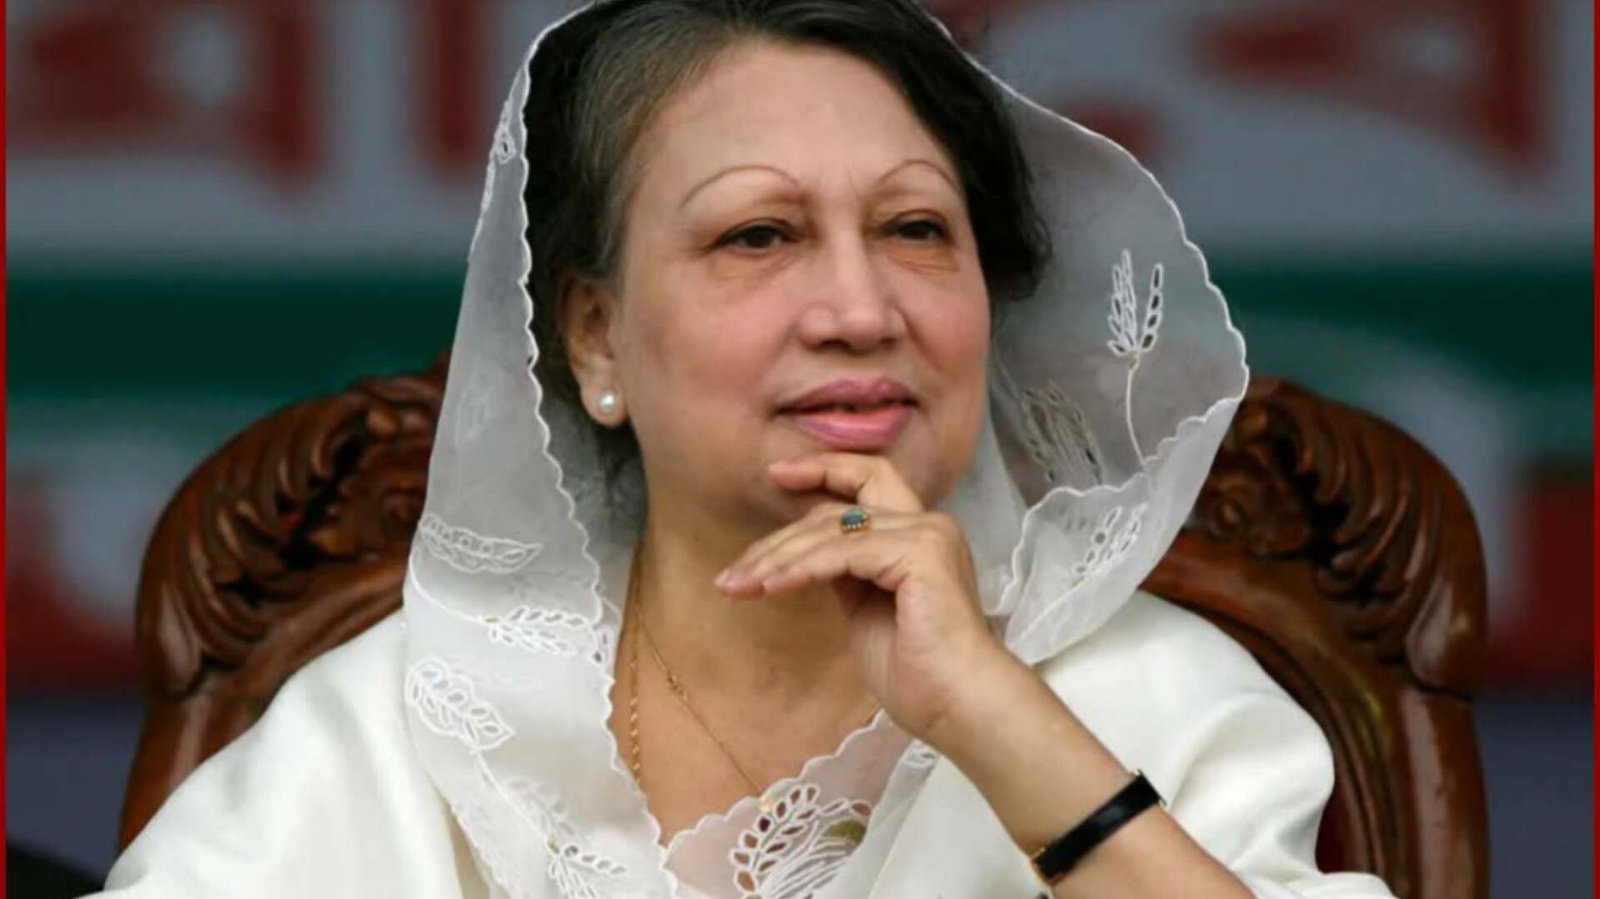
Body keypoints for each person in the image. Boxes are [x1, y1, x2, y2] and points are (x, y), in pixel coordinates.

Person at [92, 1, 1401, 897]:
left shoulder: (1155, 698)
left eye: (916, 230)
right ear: (595, 338)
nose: (859, 310)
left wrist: (993, 719)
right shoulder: (410, 715)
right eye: (758, 236)